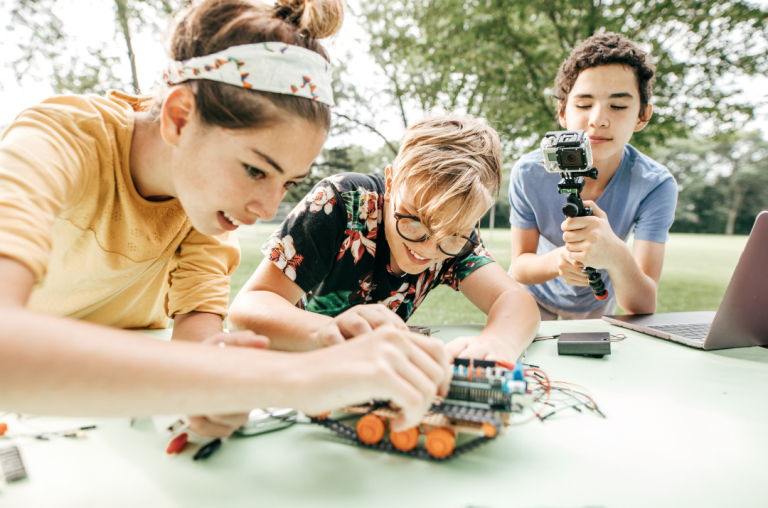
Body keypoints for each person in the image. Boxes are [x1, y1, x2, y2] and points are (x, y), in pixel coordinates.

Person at [0, 0, 451, 438]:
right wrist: (295, 378)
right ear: (179, 118)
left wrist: (213, 395)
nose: (264, 208)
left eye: (287, 182)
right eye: (255, 169)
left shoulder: (208, 211)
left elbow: (198, 351)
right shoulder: (61, 138)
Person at [229, 114, 540, 362]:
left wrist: (497, 343)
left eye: (452, 235)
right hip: (292, 368)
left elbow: (515, 300)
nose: (428, 248)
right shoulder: (340, 202)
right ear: (391, 183)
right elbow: (247, 308)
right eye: (415, 220)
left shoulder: (456, 239)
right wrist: (330, 331)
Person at [507, 33, 678, 320]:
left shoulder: (656, 184)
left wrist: (616, 254)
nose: (598, 119)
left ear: (643, 115)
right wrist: (558, 260)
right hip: (531, 297)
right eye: (584, 104)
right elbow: (520, 265)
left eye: (619, 105)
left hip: (596, 304)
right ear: (562, 112)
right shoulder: (529, 172)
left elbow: (642, 305)